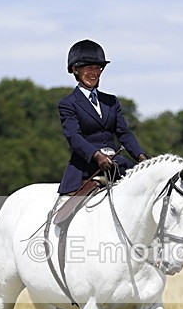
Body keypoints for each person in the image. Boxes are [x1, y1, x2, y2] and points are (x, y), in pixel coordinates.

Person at [57, 39, 149, 195]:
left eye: (97, 68)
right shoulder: (68, 103)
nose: (94, 72)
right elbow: (74, 137)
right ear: (75, 69)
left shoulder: (111, 101)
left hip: (115, 164)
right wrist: (97, 155)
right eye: (88, 68)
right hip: (86, 168)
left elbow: (124, 133)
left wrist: (141, 157)